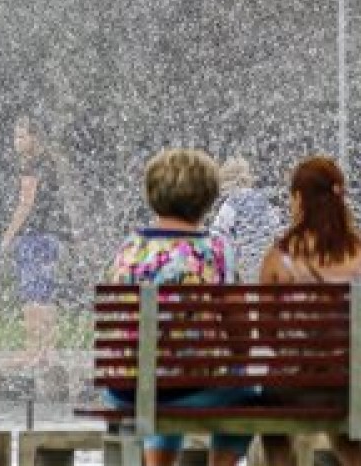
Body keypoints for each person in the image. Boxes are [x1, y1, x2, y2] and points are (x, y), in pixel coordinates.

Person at [103, 148, 254, 466]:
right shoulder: (215, 250)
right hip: (191, 388)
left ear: (152, 195)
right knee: (250, 394)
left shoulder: (129, 250)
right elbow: (241, 333)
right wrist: (238, 363)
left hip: (125, 389)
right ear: (208, 198)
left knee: (164, 379)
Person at [257, 157, 361, 466]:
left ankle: (279, 461)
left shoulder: (280, 257)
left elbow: (266, 333)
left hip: (292, 389)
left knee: (272, 420)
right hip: (352, 387)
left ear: (299, 198)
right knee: (355, 413)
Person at [0, 114, 67, 368]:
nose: (16, 141)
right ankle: (48, 351)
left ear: (34, 138)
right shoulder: (48, 163)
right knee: (45, 295)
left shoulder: (30, 166)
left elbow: (25, 204)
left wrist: (8, 235)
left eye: (21, 136)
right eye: (15, 136)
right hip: (49, 235)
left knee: (31, 296)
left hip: (32, 237)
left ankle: (31, 350)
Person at [210, 156, 285, 282]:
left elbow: (216, 237)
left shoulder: (230, 203)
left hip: (242, 271)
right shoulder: (263, 201)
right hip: (266, 268)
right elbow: (277, 231)